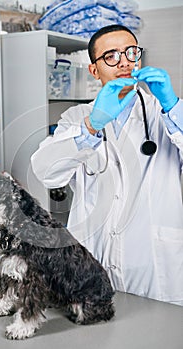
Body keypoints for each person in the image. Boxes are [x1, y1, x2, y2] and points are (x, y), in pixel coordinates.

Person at [31, 24, 183, 305]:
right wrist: (92, 125)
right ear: (94, 70)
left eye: (130, 52)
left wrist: (173, 106)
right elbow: (46, 171)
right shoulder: (77, 117)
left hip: (153, 263)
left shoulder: (165, 111)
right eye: (111, 56)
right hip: (94, 257)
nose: (124, 61)